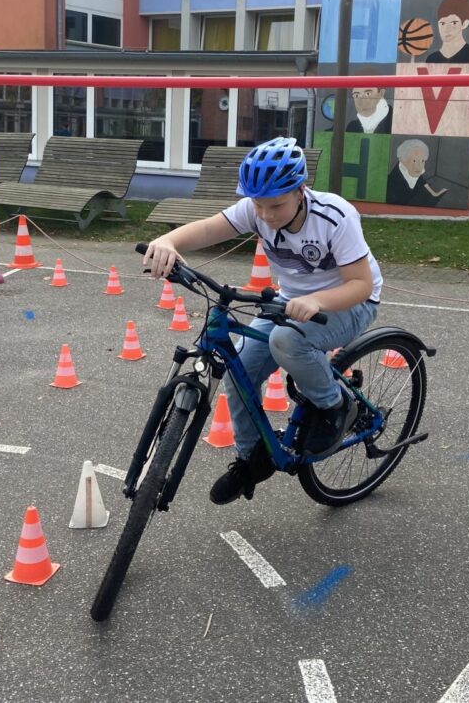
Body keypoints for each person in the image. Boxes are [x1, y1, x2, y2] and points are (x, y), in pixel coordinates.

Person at [143, 137, 382, 505]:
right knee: (239, 366)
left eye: (276, 205)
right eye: (258, 205)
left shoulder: (335, 216)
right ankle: (253, 457)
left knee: (287, 342)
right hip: (291, 302)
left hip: (349, 302)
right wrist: (168, 241)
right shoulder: (256, 208)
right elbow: (208, 229)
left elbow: (360, 285)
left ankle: (335, 405)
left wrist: (316, 299)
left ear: (301, 190)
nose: (266, 216)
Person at [386, 138, 447, 207]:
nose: (419, 166)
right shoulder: (391, 183)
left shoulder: (417, 173)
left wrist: (434, 195)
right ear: (402, 159)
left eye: (422, 161)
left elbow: (422, 182)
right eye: (414, 161)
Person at [424, 0, 469, 65]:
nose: (447, 29)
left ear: (465, 24)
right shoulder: (432, 59)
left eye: (453, 23)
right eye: (442, 23)